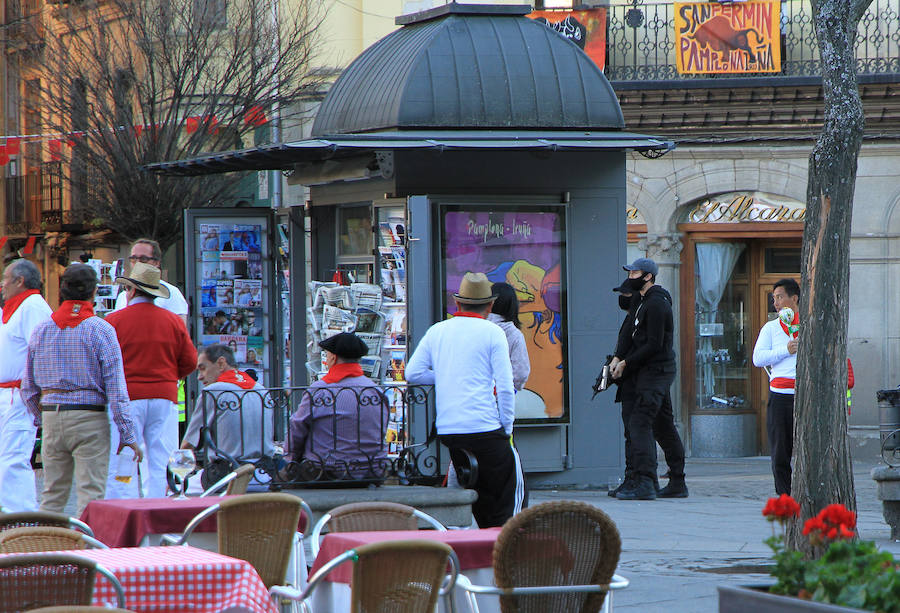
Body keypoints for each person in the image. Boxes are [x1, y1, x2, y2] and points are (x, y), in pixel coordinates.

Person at [21, 264, 142, 515]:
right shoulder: (101, 330)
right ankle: (86, 551)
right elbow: (116, 389)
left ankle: (45, 549)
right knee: (90, 496)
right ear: (94, 292)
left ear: (62, 290)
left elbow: (28, 388)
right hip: (89, 417)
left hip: (53, 413)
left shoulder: (42, 330)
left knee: (52, 494)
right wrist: (128, 434)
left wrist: (43, 419)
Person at [406, 272, 524, 527]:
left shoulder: (437, 331)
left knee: (473, 485)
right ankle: (501, 546)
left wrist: (448, 375)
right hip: (483, 429)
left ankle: (467, 534)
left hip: (449, 432)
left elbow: (412, 373)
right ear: (490, 305)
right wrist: (507, 427)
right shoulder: (493, 333)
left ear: (457, 303)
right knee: (507, 498)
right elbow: (505, 387)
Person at [104, 263, 197, 498]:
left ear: (131, 291)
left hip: (127, 398)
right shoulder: (173, 321)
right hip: (164, 397)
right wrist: (168, 377)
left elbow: (103, 364)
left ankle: (124, 507)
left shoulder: (113, 321)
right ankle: (157, 507)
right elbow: (190, 362)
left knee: (125, 457)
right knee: (160, 459)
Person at [610, 258, 686, 500]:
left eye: (635, 272)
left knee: (640, 424)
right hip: (643, 372)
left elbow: (654, 344)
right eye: (630, 272)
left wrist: (625, 362)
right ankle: (666, 481)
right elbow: (627, 333)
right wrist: (617, 357)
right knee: (662, 425)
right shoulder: (640, 301)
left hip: (656, 372)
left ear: (648, 276)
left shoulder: (657, 304)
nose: (630, 276)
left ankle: (647, 482)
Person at [288, 333, 388, 482]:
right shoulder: (375, 391)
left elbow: (297, 429)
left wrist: (290, 460)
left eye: (327, 355)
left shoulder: (319, 391)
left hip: (327, 472)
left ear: (333, 358)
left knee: (279, 484)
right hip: (372, 471)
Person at [0, 259, 53, 511]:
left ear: (20, 281)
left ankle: (21, 518)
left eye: (6, 278)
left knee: (14, 458)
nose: (2, 284)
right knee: (7, 458)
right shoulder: (16, 307)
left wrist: (35, 394)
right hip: (8, 393)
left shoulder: (33, 306)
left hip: (19, 394)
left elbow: (44, 351)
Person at [181, 344, 274, 476]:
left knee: (178, 491)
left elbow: (187, 446)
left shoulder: (212, 392)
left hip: (227, 477)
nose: (199, 377)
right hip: (264, 476)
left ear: (221, 363)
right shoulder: (261, 390)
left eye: (203, 369)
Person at [752, 278, 800, 495]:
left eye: (780, 297)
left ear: (794, 298)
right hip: (780, 395)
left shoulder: (808, 324)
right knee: (780, 450)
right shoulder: (771, 328)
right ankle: (784, 496)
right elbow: (758, 358)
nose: (776, 302)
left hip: (804, 395)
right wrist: (785, 351)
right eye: (774, 298)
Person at [113, 239, 188, 325]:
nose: (138, 263)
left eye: (143, 259)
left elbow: (180, 329)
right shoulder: (122, 296)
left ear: (156, 263)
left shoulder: (172, 293)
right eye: (133, 258)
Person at [488, 282, 531, 391]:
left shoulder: (478, 327)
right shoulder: (514, 335)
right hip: (501, 397)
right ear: (513, 305)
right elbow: (520, 373)